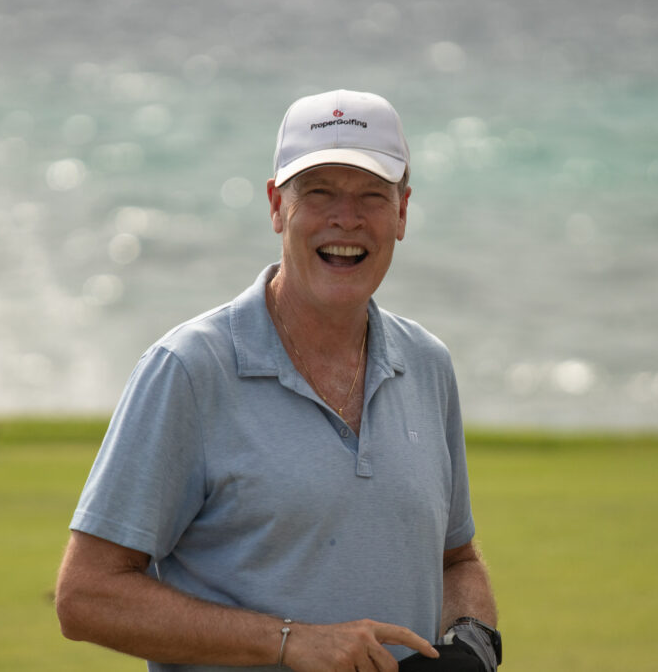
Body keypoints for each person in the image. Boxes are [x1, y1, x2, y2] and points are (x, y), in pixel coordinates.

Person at [55, 89, 501, 672]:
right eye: (319, 193)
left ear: (402, 213)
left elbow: (456, 559)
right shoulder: (188, 368)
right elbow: (86, 596)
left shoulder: (427, 364)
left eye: (372, 195)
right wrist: (291, 641)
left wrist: (473, 640)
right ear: (275, 205)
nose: (348, 219)